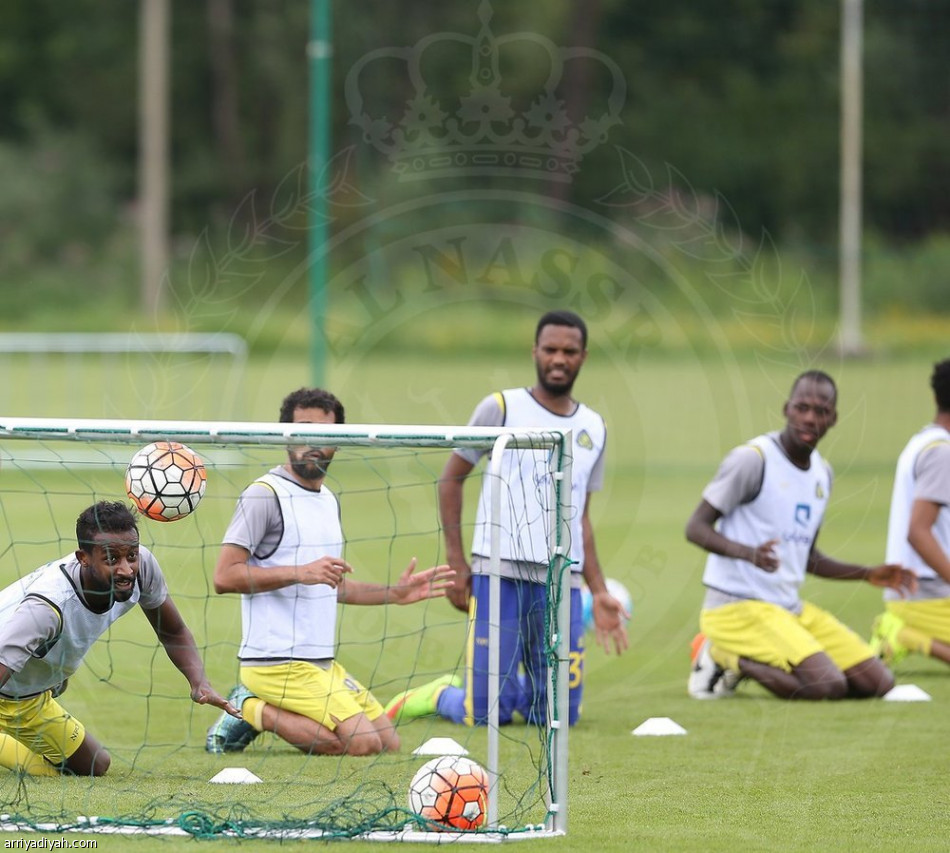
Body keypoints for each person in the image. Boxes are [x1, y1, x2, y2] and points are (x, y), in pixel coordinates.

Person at [384, 310, 628, 728]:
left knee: (557, 717)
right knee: (484, 714)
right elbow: (450, 480)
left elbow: (580, 519)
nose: (559, 359)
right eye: (550, 349)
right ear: (535, 351)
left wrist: (599, 590)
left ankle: (513, 688)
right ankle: (440, 692)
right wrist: (460, 564)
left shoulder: (595, 428)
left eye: (569, 351)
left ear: (583, 357)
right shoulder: (500, 408)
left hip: (559, 580)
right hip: (499, 576)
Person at [205, 387, 454, 757]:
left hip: (321, 664)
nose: (314, 444)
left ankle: (265, 707)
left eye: (326, 434)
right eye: (303, 430)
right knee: (362, 744)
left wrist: (397, 594)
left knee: (388, 741)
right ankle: (251, 708)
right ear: (284, 434)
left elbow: (330, 586)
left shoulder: (328, 501)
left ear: (340, 441)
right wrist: (299, 572)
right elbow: (224, 577)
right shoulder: (264, 495)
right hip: (274, 662)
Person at [685, 370, 918, 700]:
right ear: (786, 409)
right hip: (735, 607)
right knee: (828, 685)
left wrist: (868, 574)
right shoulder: (754, 460)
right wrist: (749, 553)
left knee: (877, 683)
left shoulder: (822, 474)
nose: (810, 418)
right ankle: (724, 656)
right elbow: (695, 527)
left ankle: (742, 657)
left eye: (821, 411)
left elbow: (808, 558)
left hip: (787, 608)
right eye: (802, 407)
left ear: (833, 418)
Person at [0, 501, 239, 777]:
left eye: (131, 555)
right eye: (112, 559)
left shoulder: (143, 567)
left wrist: (199, 682)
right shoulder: (46, 609)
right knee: (49, 776)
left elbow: (172, 631)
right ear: (83, 558)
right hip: (7, 687)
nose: (126, 569)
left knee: (94, 765)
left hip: (26, 692)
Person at [870, 357, 950, 667]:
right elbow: (918, 531)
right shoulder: (941, 453)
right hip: (925, 593)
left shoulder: (924, 441)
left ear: (935, 398)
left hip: (918, 592)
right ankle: (905, 635)